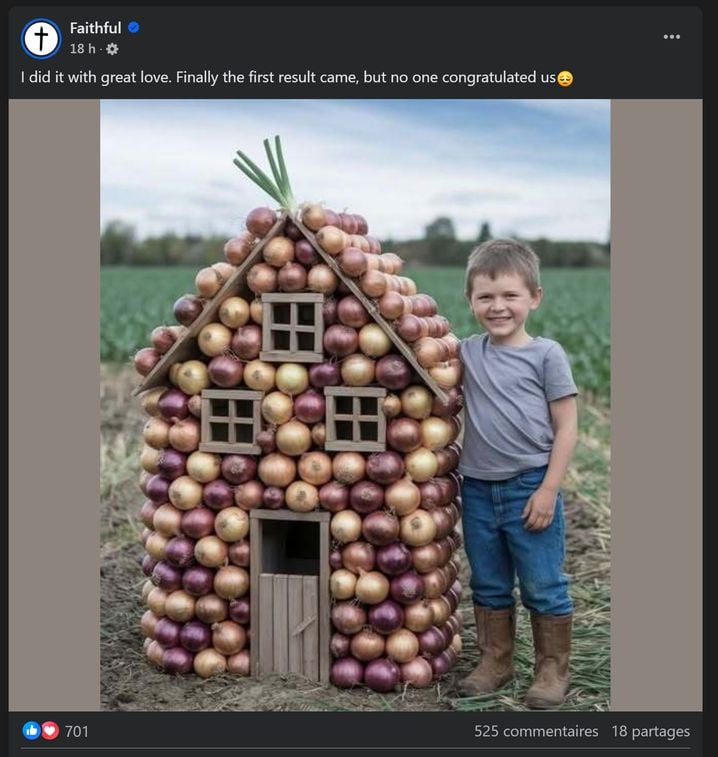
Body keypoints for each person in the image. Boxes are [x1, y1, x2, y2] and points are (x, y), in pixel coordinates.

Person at [457, 238, 578, 709]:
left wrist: (549, 489)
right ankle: (496, 661)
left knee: (543, 583)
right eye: (485, 297)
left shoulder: (546, 355)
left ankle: (551, 670)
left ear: (534, 297)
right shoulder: (466, 352)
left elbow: (567, 428)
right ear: (470, 301)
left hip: (530, 484)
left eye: (510, 295)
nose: (498, 306)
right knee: (487, 581)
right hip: (479, 489)